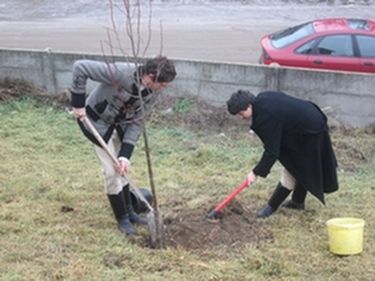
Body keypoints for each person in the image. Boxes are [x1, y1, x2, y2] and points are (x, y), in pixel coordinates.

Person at [69, 56, 177, 235]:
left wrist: (125, 155)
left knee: (122, 168)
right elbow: (80, 67)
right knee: (112, 172)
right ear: (150, 76)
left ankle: (131, 212)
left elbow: (137, 122)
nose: (163, 88)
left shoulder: (152, 92)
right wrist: (78, 104)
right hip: (95, 123)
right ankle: (122, 218)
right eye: (163, 84)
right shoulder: (120, 73)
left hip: (120, 126)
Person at [226, 90, 339, 218]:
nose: (241, 117)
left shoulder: (266, 117)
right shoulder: (263, 98)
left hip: (311, 130)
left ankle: (271, 207)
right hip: (307, 120)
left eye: (241, 113)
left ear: (249, 105)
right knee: (300, 164)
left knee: (295, 166)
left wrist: (256, 172)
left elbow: (272, 151)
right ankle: (298, 202)